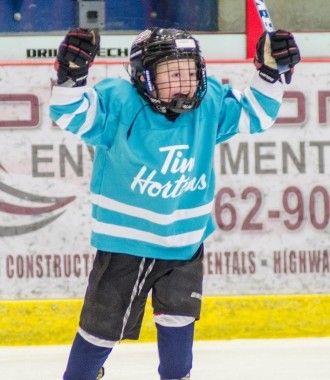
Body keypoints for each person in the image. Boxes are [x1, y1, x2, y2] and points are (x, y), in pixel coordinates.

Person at [49, 27, 300, 380]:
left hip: (185, 244)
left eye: (191, 71)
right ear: (142, 77)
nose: (185, 83)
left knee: (179, 324)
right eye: (171, 73)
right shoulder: (121, 101)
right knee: (101, 330)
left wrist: (271, 75)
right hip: (126, 244)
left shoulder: (209, 102)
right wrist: (70, 77)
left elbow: (255, 114)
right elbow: (72, 114)